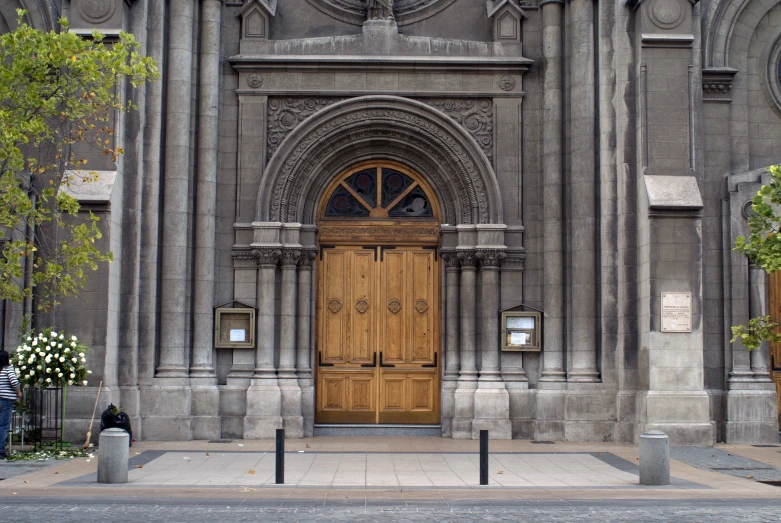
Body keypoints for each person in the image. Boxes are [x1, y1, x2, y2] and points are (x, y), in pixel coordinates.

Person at [0, 350, 22, 460]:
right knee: (3, 425)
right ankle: (1, 451)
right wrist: (18, 392)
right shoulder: (7, 369)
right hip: (6, 400)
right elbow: (14, 381)